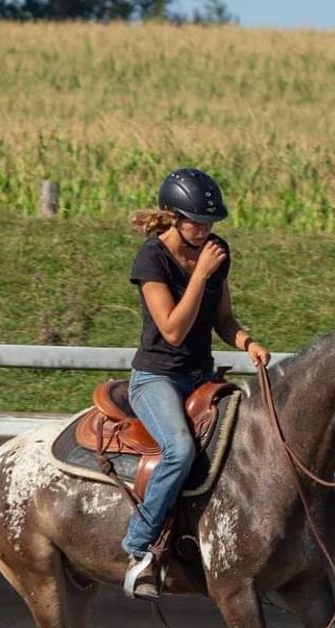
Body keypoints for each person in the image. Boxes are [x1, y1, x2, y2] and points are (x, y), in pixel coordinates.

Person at [122, 168, 270, 600]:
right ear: (172, 216)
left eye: (210, 223)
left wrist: (248, 342)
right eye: (195, 222)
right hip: (157, 378)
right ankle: (138, 545)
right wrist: (201, 275)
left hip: (200, 376)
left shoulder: (216, 251)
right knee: (180, 450)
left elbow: (222, 319)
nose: (205, 230)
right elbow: (172, 329)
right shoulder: (152, 259)